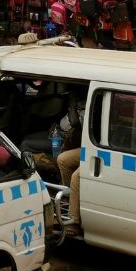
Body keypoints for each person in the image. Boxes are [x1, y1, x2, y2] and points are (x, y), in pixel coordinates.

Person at [55, 94, 85, 228]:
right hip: (86, 148)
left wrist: (72, 106)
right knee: (62, 159)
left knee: (76, 177)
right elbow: (66, 125)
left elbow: (73, 122)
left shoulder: (87, 109)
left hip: (98, 150)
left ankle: (75, 220)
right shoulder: (80, 109)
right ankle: (70, 198)